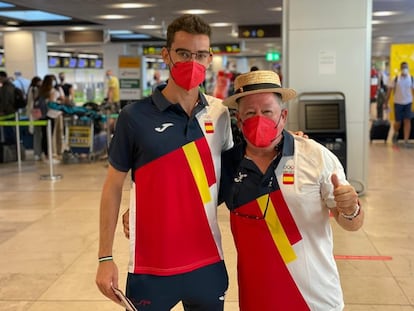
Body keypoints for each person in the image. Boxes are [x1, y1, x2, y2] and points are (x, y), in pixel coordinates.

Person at [95, 14, 233, 311]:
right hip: (150, 268)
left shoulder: (221, 114)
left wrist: (296, 143)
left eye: (200, 55)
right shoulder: (134, 117)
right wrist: (105, 257)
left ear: (209, 58)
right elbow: (113, 186)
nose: (192, 62)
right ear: (166, 55)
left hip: (207, 261)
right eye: (183, 53)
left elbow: (235, 173)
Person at [219, 70, 364, 311]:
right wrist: (138, 212)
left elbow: (352, 223)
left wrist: (351, 209)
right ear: (239, 119)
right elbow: (191, 206)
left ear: (283, 116)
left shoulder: (315, 156)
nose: (259, 119)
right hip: (257, 298)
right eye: (250, 113)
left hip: (315, 300)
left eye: (267, 112)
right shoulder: (226, 164)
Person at [385, 61, 414, 147]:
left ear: (408, 68)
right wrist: (385, 102)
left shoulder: (411, 78)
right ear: (401, 68)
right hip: (398, 103)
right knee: (398, 122)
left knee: (407, 121)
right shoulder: (396, 78)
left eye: (406, 67)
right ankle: (396, 132)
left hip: (408, 102)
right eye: (403, 67)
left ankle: (405, 140)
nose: (405, 69)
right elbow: (389, 91)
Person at [27, 76, 43, 160]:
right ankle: (38, 152)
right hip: (36, 113)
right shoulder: (35, 90)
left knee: (37, 134)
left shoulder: (30, 89)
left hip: (33, 113)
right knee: (38, 134)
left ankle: (37, 152)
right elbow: (34, 101)